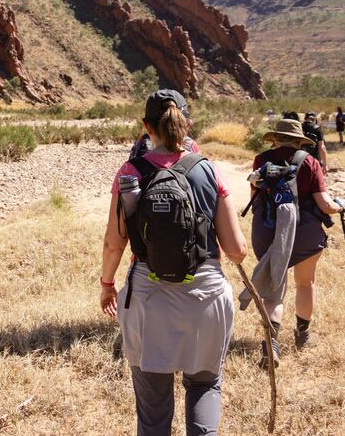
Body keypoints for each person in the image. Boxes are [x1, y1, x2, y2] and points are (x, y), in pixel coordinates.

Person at [101, 90, 247, 436]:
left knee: (153, 411)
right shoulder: (208, 171)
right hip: (206, 297)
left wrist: (107, 285)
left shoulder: (129, 172)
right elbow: (238, 250)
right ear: (187, 124)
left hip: (148, 301)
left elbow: (113, 242)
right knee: (204, 386)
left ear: (145, 126)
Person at [247, 119, 345, 366]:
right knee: (305, 283)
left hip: (267, 231)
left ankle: (271, 344)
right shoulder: (310, 162)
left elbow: (253, 197)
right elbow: (324, 204)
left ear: (276, 138)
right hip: (304, 233)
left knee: (274, 291)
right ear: (300, 140)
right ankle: (302, 336)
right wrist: (340, 206)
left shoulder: (261, 160)